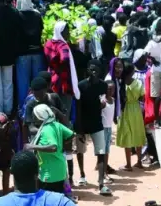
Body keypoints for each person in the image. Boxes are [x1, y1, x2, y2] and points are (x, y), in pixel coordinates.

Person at [73, 60, 113, 195]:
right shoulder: (81, 85)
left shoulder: (103, 85)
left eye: (96, 69)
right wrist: (79, 129)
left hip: (97, 123)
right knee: (80, 151)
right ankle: (82, 176)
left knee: (101, 153)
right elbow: (77, 107)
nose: (93, 72)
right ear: (88, 70)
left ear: (100, 71)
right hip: (82, 124)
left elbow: (105, 100)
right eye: (91, 69)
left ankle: (101, 184)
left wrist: (102, 104)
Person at [31, 103, 75, 194]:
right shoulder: (56, 125)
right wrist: (61, 143)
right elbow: (71, 135)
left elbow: (53, 147)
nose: (33, 119)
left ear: (41, 116)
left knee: (47, 202)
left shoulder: (47, 129)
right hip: (60, 170)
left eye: (35, 116)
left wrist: (32, 146)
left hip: (50, 174)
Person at [116, 61, 146, 171]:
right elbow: (142, 97)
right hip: (136, 110)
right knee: (138, 134)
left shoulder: (120, 83)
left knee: (127, 135)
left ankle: (128, 164)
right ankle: (139, 161)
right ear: (132, 72)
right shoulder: (138, 83)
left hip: (124, 110)